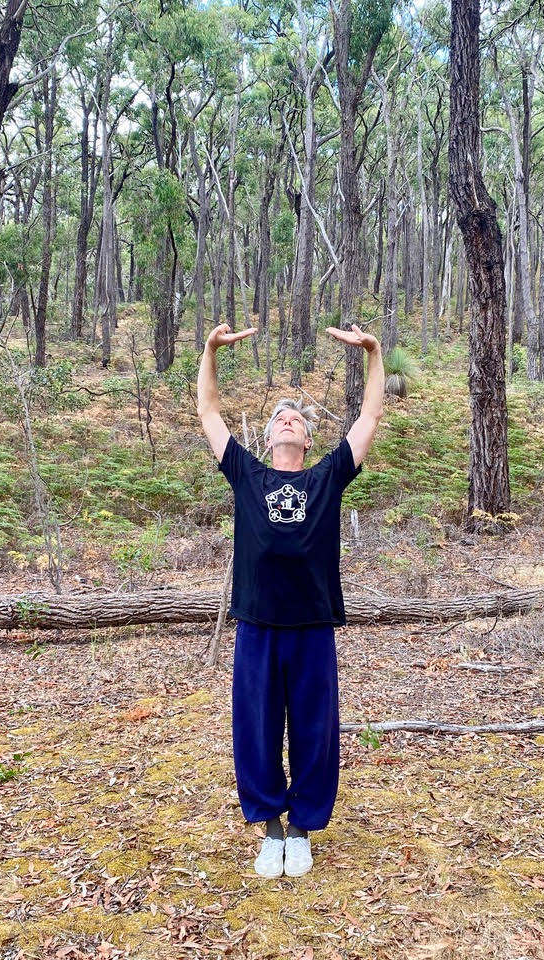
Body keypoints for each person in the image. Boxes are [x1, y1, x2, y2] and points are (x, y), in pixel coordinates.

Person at [197, 321, 384, 878]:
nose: (289, 421)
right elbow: (209, 413)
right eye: (281, 417)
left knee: (313, 730)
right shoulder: (247, 475)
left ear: (305, 441)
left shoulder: (327, 478)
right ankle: (270, 828)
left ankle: (301, 827)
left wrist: (373, 354)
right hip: (257, 625)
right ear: (268, 437)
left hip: (311, 627)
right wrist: (210, 350)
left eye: (297, 420)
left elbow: (370, 417)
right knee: (254, 728)